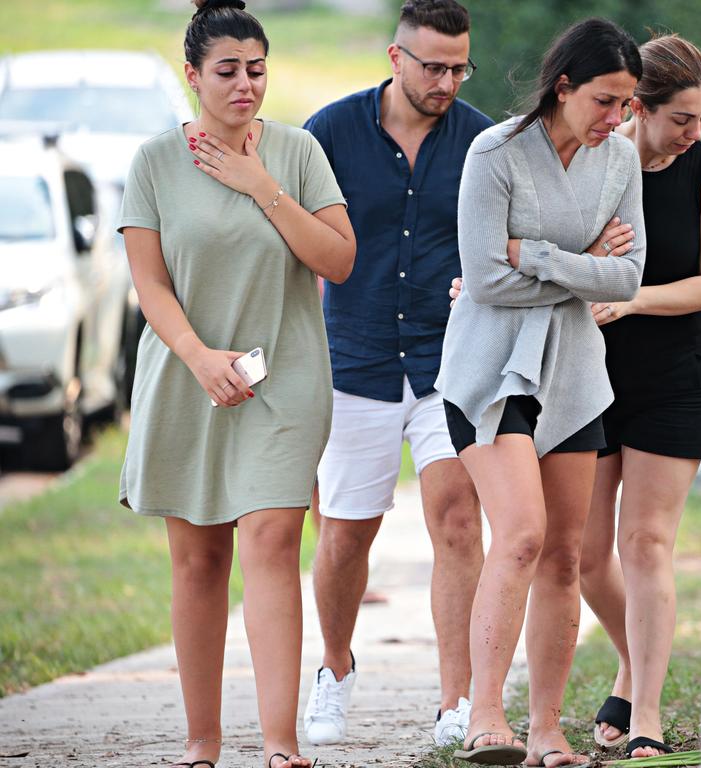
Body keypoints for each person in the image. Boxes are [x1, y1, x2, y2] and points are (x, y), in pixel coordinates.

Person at [117, 2, 356, 767]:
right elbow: (150, 287)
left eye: (256, 69)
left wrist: (262, 186)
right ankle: (202, 743)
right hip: (187, 377)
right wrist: (198, 356)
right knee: (198, 563)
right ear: (192, 77)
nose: (245, 84)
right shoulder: (154, 163)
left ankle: (282, 746)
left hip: (284, 381)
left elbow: (339, 260)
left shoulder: (298, 152)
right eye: (227, 71)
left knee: (274, 540)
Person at [435, 18, 646, 767]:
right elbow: (484, 278)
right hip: (487, 374)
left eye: (626, 104)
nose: (617, 119)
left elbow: (627, 278)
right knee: (520, 534)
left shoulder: (619, 159)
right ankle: (484, 718)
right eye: (605, 100)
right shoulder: (494, 153)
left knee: (563, 555)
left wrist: (546, 256)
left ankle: (548, 730)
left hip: (575, 378)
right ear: (564, 87)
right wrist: (580, 263)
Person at [300, 0, 492, 748]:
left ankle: (456, 702)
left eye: (458, 66)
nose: (447, 80)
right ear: (395, 57)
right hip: (356, 359)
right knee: (347, 534)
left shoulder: (481, 140)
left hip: (452, 363)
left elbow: (506, 236)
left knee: (455, 519)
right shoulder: (330, 132)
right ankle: (336, 669)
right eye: (433, 65)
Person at [584, 35, 701, 759]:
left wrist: (630, 299)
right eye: (682, 118)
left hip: (674, 378)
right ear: (638, 109)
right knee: (586, 557)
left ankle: (644, 709)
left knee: (646, 542)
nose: (696, 132)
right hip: (583, 378)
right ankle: (632, 658)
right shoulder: (589, 159)